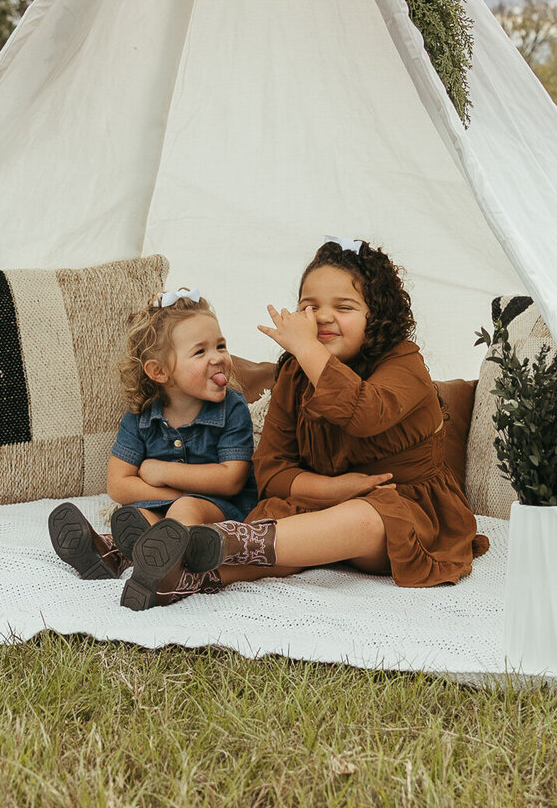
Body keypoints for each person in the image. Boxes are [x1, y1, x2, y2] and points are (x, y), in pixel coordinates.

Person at [120, 239, 488, 609]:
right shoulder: (296, 374)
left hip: (407, 512)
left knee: (364, 518)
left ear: (377, 315)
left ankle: (222, 540)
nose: (323, 316)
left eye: (343, 306)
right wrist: (335, 488)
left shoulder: (405, 364)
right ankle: (177, 576)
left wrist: (308, 348)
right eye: (309, 306)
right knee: (287, 529)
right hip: (320, 505)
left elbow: (363, 414)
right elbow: (273, 470)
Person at [47, 289, 258, 592]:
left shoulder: (232, 408)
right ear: (160, 372)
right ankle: (107, 555)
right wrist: (171, 496)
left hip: (221, 511)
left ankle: (164, 566)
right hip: (164, 508)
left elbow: (231, 480)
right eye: (200, 352)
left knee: (185, 511)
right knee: (136, 517)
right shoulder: (142, 415)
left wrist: (162, 472)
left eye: (220, 346)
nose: (218, 358)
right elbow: (119, 484)